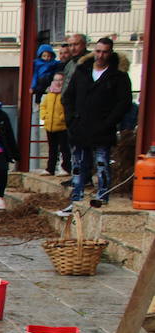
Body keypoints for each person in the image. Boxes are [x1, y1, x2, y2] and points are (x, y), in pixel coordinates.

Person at [60, 36, 132, 214]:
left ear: (111, 52)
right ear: (94, 51)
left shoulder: (118, 76)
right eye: (98, 51)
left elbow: (124, 102)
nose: (100, 55)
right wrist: (71, 119)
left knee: (102, 163)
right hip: (79, 127)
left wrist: (109, 122)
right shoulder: (82, 71)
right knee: (78, 165)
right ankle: (76, 198)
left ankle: (102, 196)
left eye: (105, 52)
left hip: (102, 128)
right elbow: (68, 96)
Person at [39, 73, 70, 177]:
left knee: (64, 149)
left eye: (60, 80)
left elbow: (68, 107)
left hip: (62, 126)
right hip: (50, 125)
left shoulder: (66, 93)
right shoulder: (49, 94)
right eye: (56, 79)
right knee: (52, 149)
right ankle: (50, 168)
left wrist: (63, 117)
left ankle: (65, 168)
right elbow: (43, 106)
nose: (58, 82)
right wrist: (44, 115)